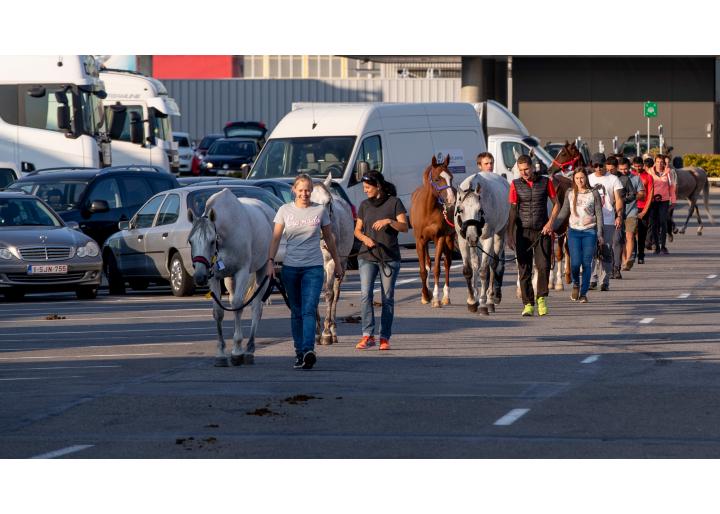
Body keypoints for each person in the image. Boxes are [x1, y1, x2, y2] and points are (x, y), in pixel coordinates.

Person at [267, 174, 343, 370]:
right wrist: (269, 262)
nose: (304, 193)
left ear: (311, 191)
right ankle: (299, 352)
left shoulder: (319, 211)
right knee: (297, 312)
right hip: (290, 269)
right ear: (294, 190)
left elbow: (329, 239)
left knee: (309, 309)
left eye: (307, 190)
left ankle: (309, 350)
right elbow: (275, 239)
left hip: (313, 268)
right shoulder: (284, 210)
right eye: (300, 190)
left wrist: (338, 263)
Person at [353, 170, 408, 351]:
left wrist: (389, 221)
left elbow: (404, 227)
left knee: (387, 298)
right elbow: (357, 230)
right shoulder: (364, 205)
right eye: (364, 188)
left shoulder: (394, 203)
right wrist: (364, 239)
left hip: (389, 258)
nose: (365, 191)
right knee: (365, 295)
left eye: (368, 187)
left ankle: (384, 337)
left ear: (378, 186)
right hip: (367, 257)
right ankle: (367, 335)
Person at [506, 154, 559, 317]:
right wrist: (509, 233)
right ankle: (528, 304)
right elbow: (513, 211)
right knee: (524, 269)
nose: (524, 173)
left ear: (532, 166)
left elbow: (557, 204)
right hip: (523, 232)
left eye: (526, 169)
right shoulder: (515, 184)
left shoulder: (545, 182)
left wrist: (550, 223)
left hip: (542, 230)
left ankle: (541, 299)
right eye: (521, 170)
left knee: (543, 267)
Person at [552, 167, 604, 303]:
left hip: (589, 232)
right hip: (574, 232)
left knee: (586, 264)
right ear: (573, 179)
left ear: (586, 178)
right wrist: (552, 227)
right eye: (577, 178)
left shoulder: (594, 193)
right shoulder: (570, 193)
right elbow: (563, 213)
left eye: (582, 177)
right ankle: (576, 283)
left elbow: (599, 214)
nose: (580, 180)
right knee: (575, 264)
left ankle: (583, 293)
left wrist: (600, 234)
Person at [588, 153, 624, 292]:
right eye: (595, 166)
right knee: (590, 250)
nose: (598, 168)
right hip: (591, 220)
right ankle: (592, 279)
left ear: (605, 165)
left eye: (601, 165)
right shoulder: (588, 179)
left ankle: (605, 280)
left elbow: (619, 199)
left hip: (608, 219)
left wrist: (619, 215)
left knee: (606, 250)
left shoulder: (614, 179)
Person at [617, 157, 644, 273]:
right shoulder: (615, 179)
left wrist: (631, 197)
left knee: (629, 235)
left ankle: (628, 259)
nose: (624, 171)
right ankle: (624, 261)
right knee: (620, 238)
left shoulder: (636, 178)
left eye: (626, 169)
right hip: (618, 212)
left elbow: (642, 194)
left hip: (631, 211)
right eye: (621, 169)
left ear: (630, 168)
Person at [648, 154, 676, 255]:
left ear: (664, 163)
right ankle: (655, 245)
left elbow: (672, 188)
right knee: (654, 223)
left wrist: (673, 201)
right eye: (658, 161)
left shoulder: (668, 173)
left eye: (662, 162)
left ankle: (663, 246)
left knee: (663, 222)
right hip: (652, 201)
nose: (660, 164)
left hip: (664, 201)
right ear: (655, 162)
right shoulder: (649, 172)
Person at [631, 156, 653, 264]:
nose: (638, 168)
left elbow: (650, 196)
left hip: (643, 208)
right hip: (631, 207)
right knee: (631, 232)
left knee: (642, 232)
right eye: (635, 166)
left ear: (643, 165)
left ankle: (641, 254)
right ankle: (633, 253)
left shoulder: (648, 177)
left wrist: (644, 211)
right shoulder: (630, 176)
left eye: (639, 166)